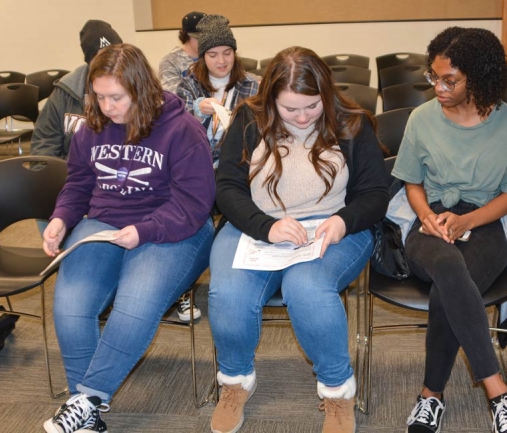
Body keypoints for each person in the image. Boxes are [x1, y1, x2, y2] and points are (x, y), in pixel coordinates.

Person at [208, 46, 388, 433]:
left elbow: (375, 194)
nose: (303, 117)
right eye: (291, 109)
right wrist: (264, 226)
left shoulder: (352, 123)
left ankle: (338, 392)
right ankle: (235, 381)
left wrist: (343, 221)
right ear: (271, 99)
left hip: (335, 227)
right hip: (256, 225)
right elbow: (227, 189)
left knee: (307, 287)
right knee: (228, 294)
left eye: (312, 106)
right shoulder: (248, 118)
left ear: (325, 94)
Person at [41, 43, 215, 433]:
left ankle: (86, 399)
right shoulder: (92, 127)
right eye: (99, 97)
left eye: (116, 97)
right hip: (106, 223)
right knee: (71, 305)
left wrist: (145, 230)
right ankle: (86, 413)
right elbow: (79, 184)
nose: (107, 107)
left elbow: (195, 203)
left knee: (135, 304)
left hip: (174, 228)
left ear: (141, 89)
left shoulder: (180, 128)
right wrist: (60, 218)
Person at [391, 27, 507, 433]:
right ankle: (498, 393)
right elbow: (412, 183)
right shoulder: (421, 119)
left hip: (485, 221)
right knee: (449, 268)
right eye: (432, 77)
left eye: (449, 80)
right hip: (431, 221)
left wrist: (468, 221)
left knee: (448, 289)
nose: (437, 87)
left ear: (479, 77)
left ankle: (430, 395)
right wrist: (426, 217)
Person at [30, 19, 122, 159]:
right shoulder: (66, 90)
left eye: (113, 55)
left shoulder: (134, 88)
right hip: (70, 175)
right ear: (89, 61)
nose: (108, 63)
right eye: (100, 57)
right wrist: (46, 176)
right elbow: (45, 142)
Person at [176, 13, 259, 168]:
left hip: (240, 164)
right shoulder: (189, 85)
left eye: (227, 53)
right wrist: (197, 113)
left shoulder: (250, 85)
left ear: (235, 53)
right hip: (198, 163)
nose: (221, 61)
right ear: (202, 57)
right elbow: (179, 133)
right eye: (213, 55)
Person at [158, 11, 206, 93]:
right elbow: (173, 96)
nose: (203, 41)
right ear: (186, 36)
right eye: (198, 38)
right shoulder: (170, 62)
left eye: (206, 37)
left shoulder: (214, 57)